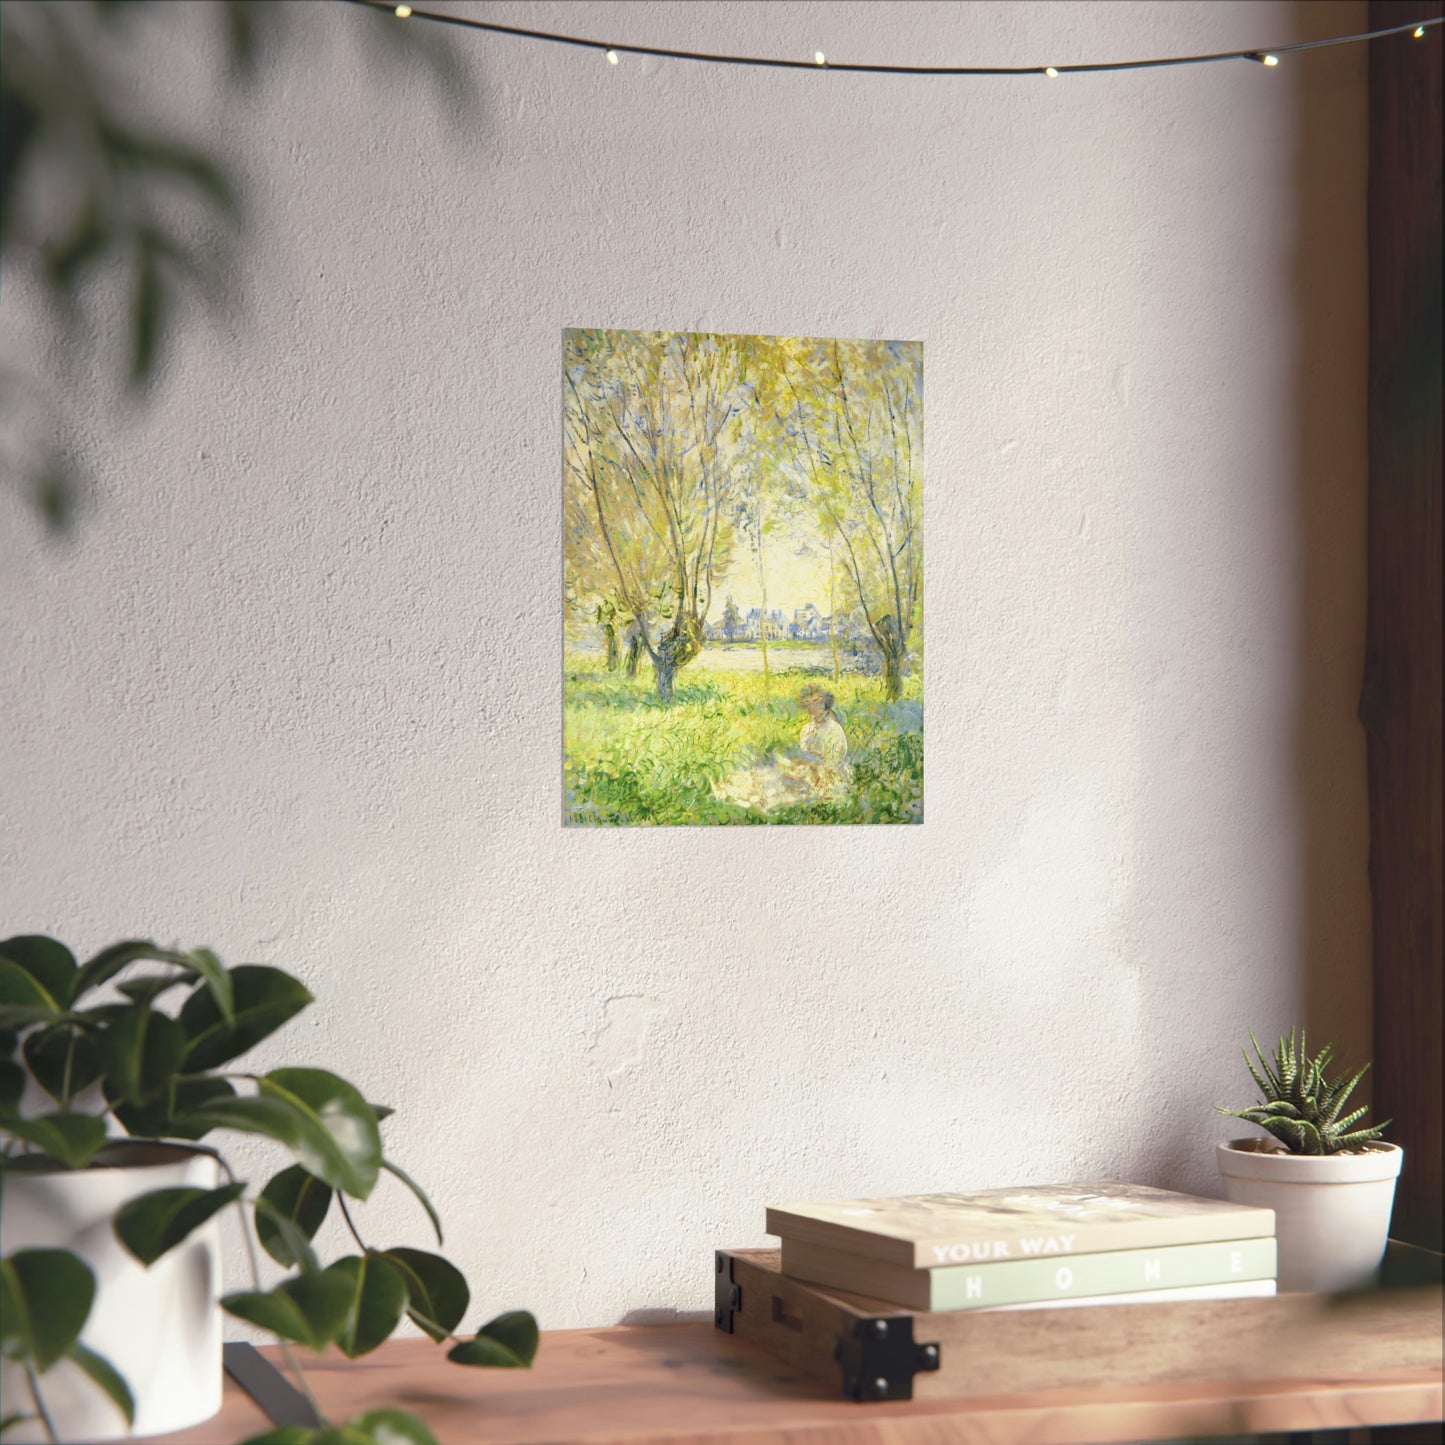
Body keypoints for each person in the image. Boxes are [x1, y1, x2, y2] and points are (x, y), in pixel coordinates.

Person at [712, 683, 851, 813]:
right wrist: (794, 763)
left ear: (822, 704)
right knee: (766, 774)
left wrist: (806, 767)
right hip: (804, 771)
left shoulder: (834, 731)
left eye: (811, 704)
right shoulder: (807, 728)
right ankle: (730, 789)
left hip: (823, 779)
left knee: (778, 788)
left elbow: (832, 765)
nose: (808, 709)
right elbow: (803, 753)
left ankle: (748, 800)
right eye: (806, 705)